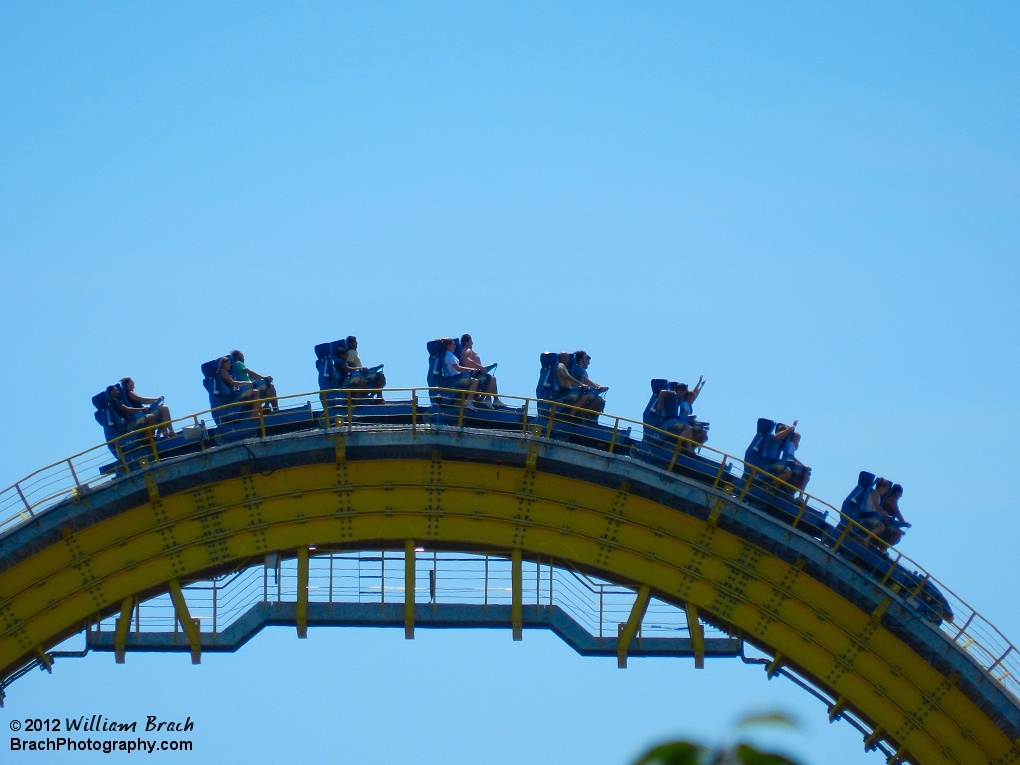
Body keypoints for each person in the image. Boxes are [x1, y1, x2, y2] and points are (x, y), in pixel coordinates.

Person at [653, 377, 708, 446]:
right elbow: (662, 392)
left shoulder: (678, 399)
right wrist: (659, 403)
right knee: (688, 428)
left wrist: (701, 385)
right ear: (680, 390)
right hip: (668, 421)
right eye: (683, 393)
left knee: (699, 432)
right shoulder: (673, 394)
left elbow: (694, 394)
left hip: (674, 420)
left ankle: (687, 448)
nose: (683, 395)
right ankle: (679, 446)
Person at [459, 334, 506, 407]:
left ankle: (492, 399)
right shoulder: (468, 350)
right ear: (466, 342)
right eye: (471, 341)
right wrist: (480, 367)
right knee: (492, 379)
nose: (472, 343)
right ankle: (490, 399)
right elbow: (468, 360)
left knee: (491, 378)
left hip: (477, 373)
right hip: (473, 374)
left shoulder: (466, 350)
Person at [440, 338, 481, 408]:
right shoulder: (449, 356)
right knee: (475, 381)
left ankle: (474, 399)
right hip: (455, 378)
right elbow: (458, 368)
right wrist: (471, 369)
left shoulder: (446, 355)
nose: (455, 346)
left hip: (455, 377)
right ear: (448, 345)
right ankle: (469, 401)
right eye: (453, 344)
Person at [342, 336, 386, 400]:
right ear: (351, 344)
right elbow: (349, 363)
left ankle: (372, 397)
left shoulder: (353, 352)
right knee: (381, 376)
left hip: (360, 374)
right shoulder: (351, 352)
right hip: (357, 375)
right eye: (355, 342)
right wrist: (360, 369)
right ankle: (378, 397)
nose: (357, 343)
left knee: (381, 378)